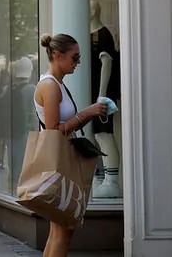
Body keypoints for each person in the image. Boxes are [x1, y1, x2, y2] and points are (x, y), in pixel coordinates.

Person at [34, 34, 109, 257]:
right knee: (63, 233)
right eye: (75, 58)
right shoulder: (50, 86)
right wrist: (86, 112)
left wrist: (92, 111)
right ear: (57, 55)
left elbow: (67, 126)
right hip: (58, 166)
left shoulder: (55, 84)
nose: (78, 63)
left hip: (59, 165)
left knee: (58, 232)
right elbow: (53, 131)